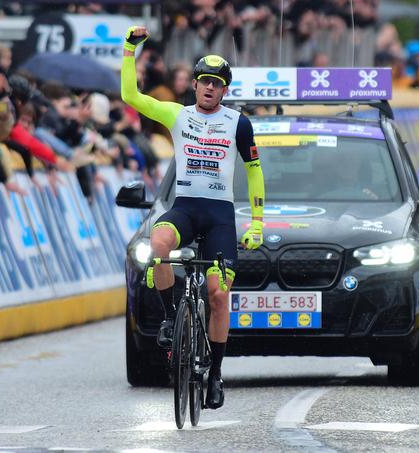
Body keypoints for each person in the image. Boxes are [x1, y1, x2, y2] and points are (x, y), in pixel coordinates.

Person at [121, 26, 265, 410]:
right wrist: (128, 50)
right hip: (185, 207)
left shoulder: (238, 123)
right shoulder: (176, 115)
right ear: (195, 85)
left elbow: (253, 170)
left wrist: (256, 221)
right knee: (158, 243)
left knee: (218, 295)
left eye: (216, 84)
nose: (208, 89)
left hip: (219, 215)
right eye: (203, 82)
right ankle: (171, 318)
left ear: (224, 91)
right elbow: (129, 95)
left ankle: (215, 375)